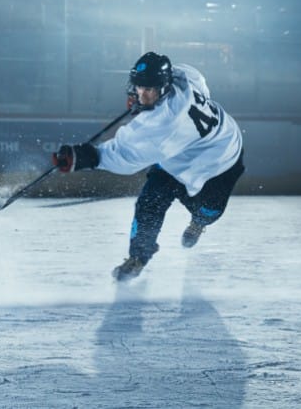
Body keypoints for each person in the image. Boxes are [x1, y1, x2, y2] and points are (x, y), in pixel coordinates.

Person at [52, 52, 244, 281]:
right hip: (182, 154)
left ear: (163, 87)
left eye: (149, 89)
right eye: (139, 87)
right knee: (150, 201)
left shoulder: (164, 124)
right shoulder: (183, 76)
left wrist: (87, 157)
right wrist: (148, 101)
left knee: (208, 210)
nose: (141, 94)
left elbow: (125, 156)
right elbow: (198, 81)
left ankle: (198, 222)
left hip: (223, 157)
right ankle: (138, 257)